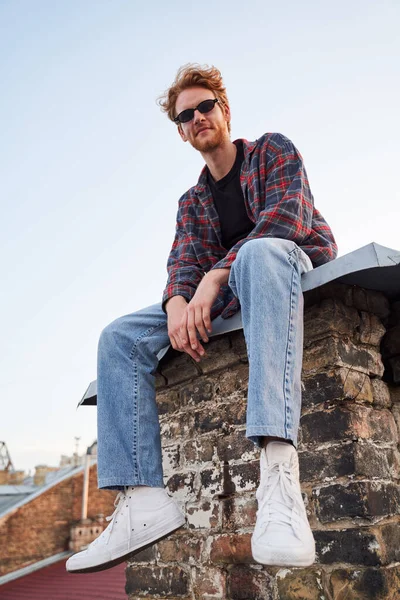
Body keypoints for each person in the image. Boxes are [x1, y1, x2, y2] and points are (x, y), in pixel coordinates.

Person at [66, 64, 337, 574]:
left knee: (258, 256)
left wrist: (213, 279)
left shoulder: (272, 150)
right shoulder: (191, 202)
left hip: (287, 265)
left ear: (224, 109)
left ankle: (279, 475)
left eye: (204, 106)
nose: (197, 118)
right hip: (234, 289)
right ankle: (144, 498)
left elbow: (288, 216)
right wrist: (176, 303)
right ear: (181, 130)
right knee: (118, 337)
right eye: (185, 116)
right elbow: (182, 264)